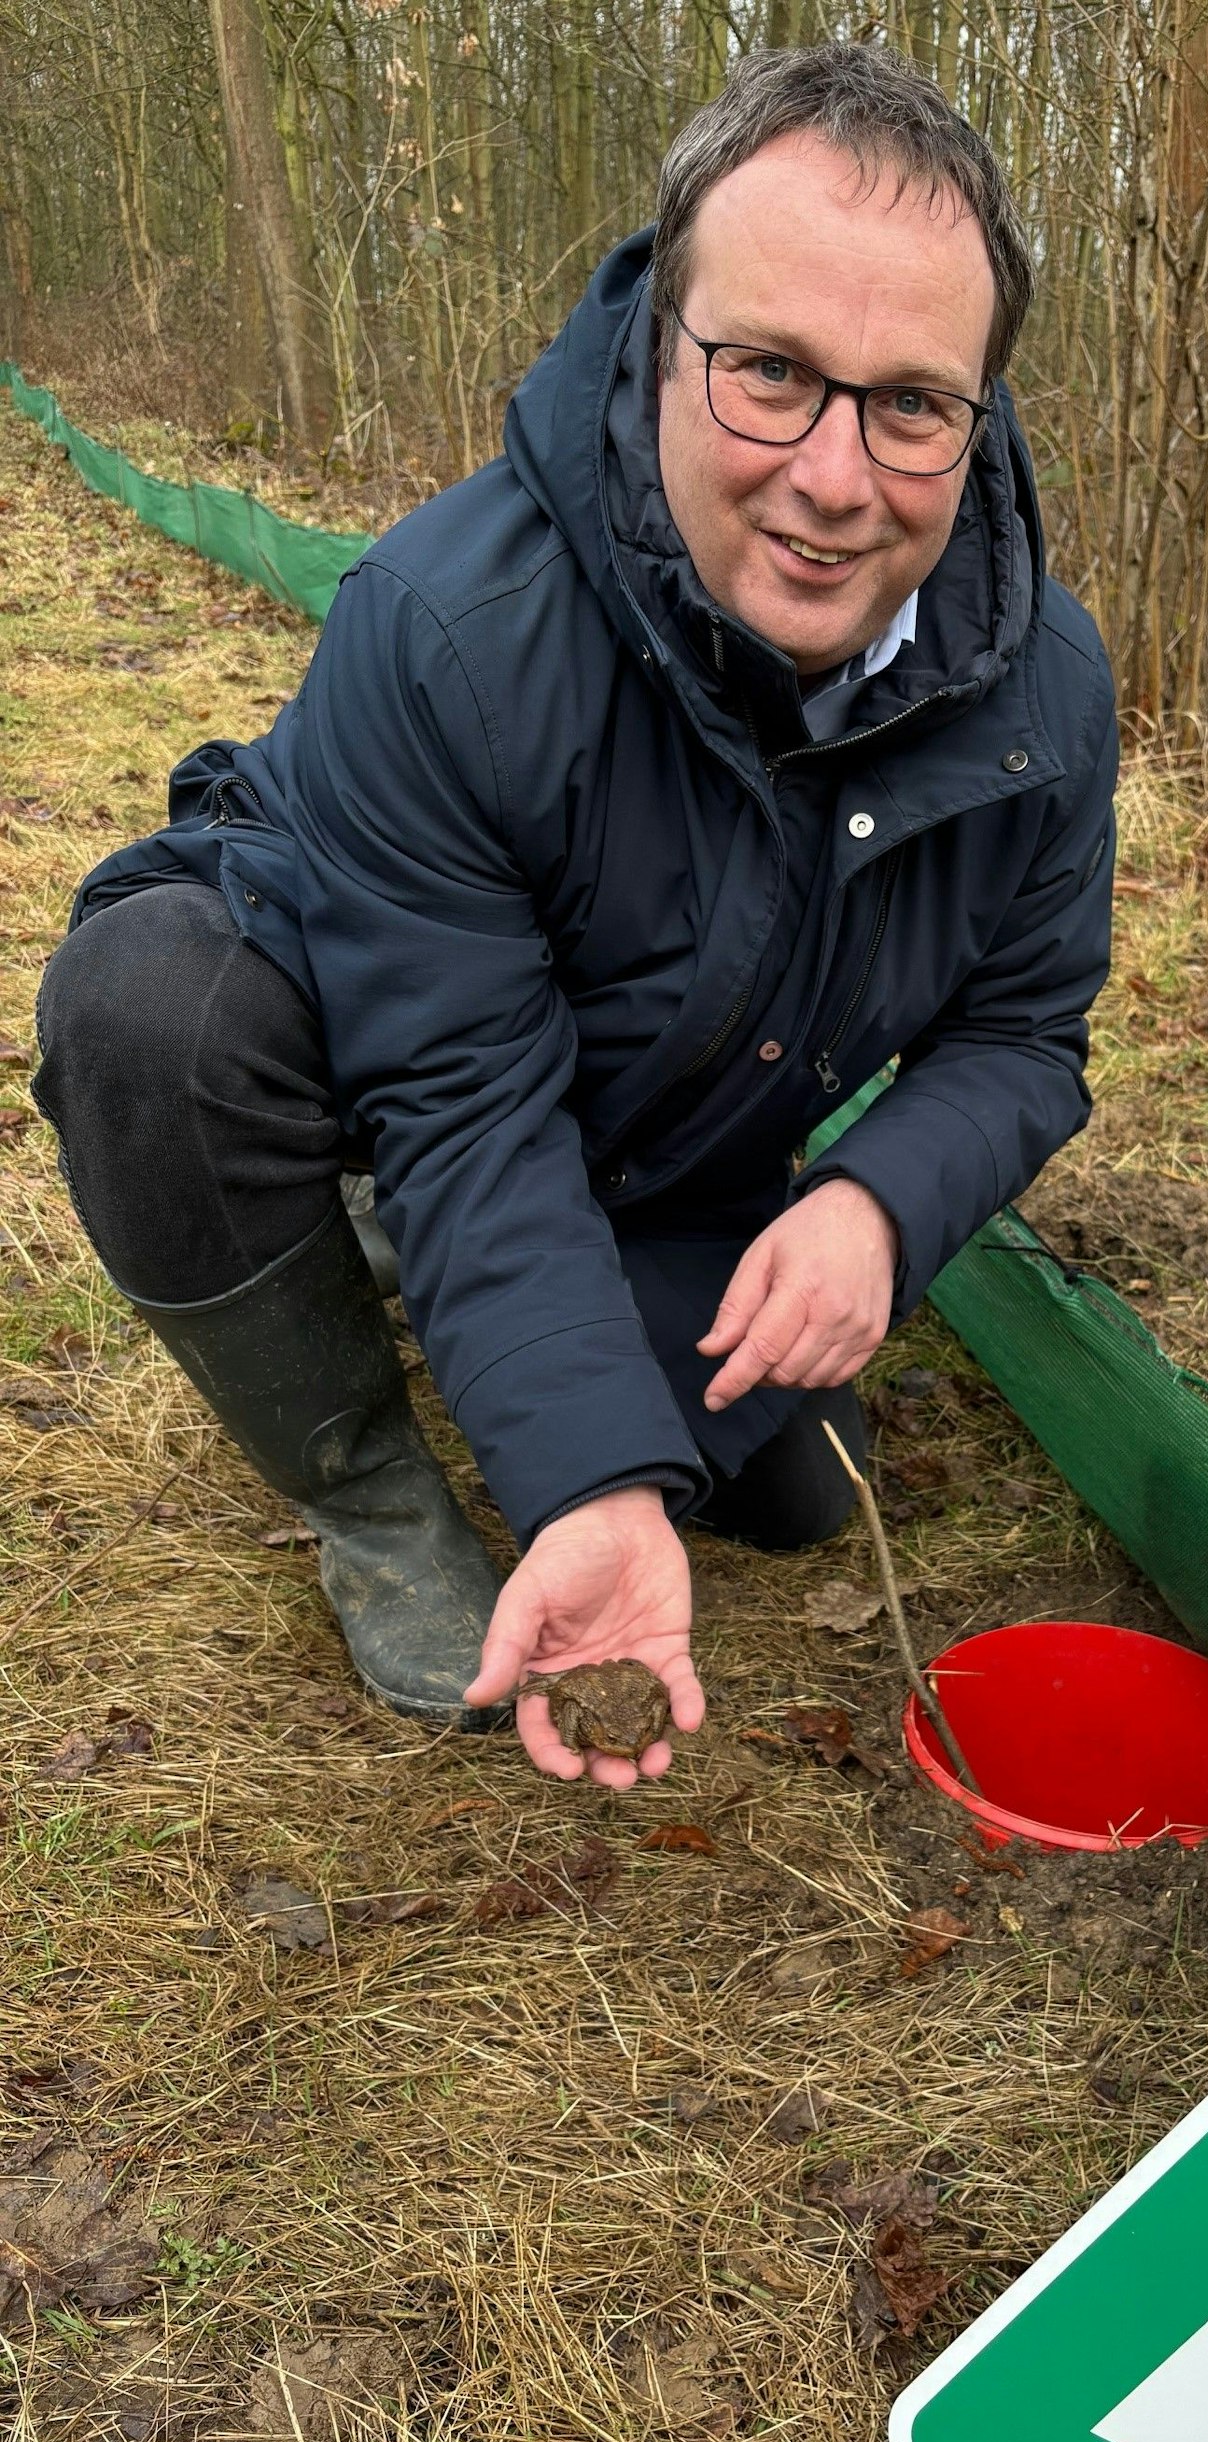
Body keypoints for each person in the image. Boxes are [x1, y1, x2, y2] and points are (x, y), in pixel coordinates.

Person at [32, 43, 1116, 1792]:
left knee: (779, 1489)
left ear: (980, 413)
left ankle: (476, 1281)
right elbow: (466, 1093)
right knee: (152, 1017)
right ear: (662, 340)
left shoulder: (1044, 695)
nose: (837, 478)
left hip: (666, 1116)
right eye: (770, 371)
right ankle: (368, 1488)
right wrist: (588, 1492)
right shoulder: (446, 624)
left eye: (912, 404)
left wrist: (873, 1203)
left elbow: (1025, 1032)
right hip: (358, 1001)